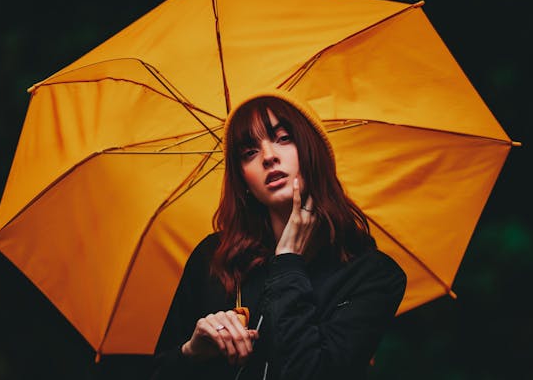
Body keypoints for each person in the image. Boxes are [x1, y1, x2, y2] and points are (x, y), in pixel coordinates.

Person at [151, 90, 406, 380]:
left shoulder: (372, 275)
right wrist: (192, 352)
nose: (268, 157)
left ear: (313, 153)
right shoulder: (213, 259)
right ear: (244, 180)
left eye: (283, 138)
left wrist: (288, 262)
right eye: (249, 153)